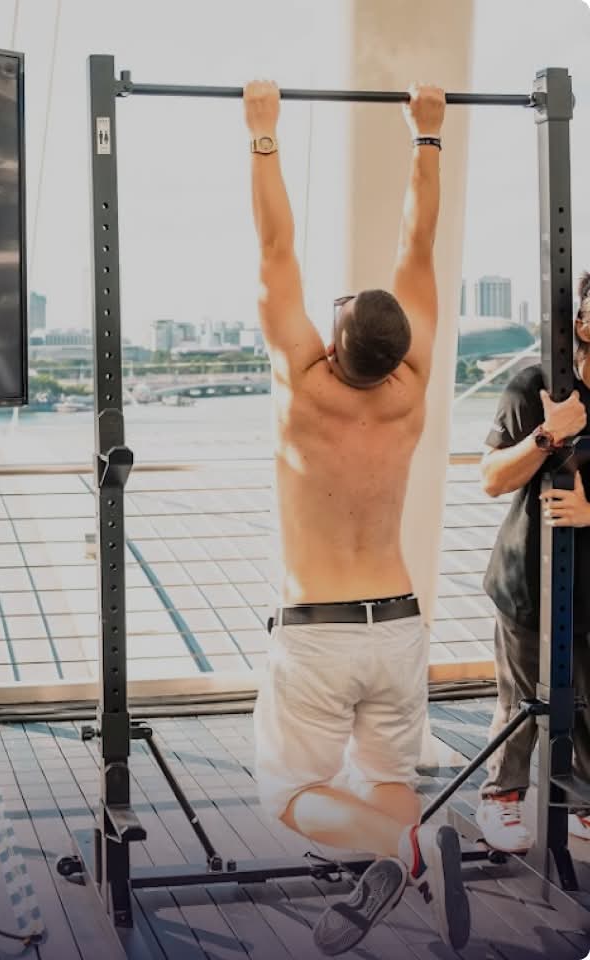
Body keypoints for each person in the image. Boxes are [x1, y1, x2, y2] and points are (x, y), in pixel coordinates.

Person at [242, 79, 470, 955]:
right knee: (385, 777)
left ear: (335, 343)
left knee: (286, 794)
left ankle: (404, 850)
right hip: (400, 623)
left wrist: (264, 134)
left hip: (320, 633)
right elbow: (420, 241)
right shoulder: (413, 386)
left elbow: (276, 248)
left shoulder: (304, 386)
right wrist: (428, 136)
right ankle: (407, 855)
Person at [475, 271, 590, 852]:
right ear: (582, 324)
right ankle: (501, 797)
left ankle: (583, 807)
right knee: (521, 700)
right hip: (529, 578)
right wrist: (548, 434)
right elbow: (492, 478)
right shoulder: (535, 386)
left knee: (588, 704)